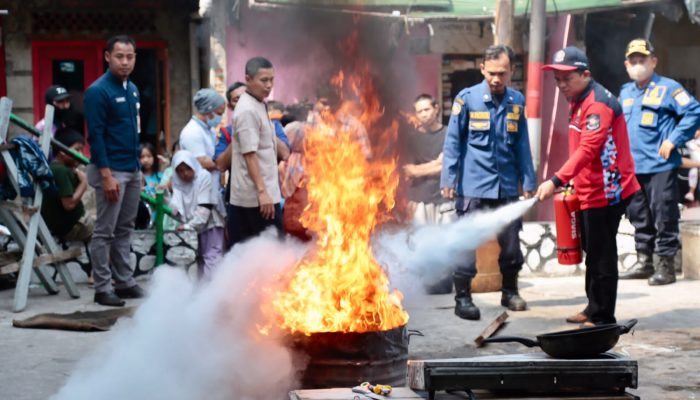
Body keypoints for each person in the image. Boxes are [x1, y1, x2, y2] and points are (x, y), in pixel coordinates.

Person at [535, 47, 640, 326]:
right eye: (557, 79)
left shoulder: (597, 104)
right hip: (589, 189)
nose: (561, 85)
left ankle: (603, 316)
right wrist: (573, 184)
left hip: (608, 190)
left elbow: (588, 150)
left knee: (602, 254)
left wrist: (556, 179)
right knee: (593, 252)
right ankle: (593, 307)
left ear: (585, 74)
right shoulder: (579, 99)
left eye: (567, 78)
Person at [441, 45, 536, 320]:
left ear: (512, 72)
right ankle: (463, 298)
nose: (496, 79)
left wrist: (528, 180)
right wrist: (449, 177)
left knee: (510, 244)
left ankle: (510, 291)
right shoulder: (467, 99)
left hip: (506, 187)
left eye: (502, 74)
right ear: (482, 69)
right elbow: (453, 142)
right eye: (491, 73)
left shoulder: (516, 102)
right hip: (472, 187)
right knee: (467, 241)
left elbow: (522, 146)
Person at [618, 39, 700, 285]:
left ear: (653, 61)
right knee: (638, 215)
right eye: (633, 60)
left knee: (664, 214)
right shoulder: (625, 92)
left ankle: (666, 266)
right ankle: (645, 262)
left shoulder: (669, 88)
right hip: (633, 167)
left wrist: (674, 139)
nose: (638, 64)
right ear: (626, 64)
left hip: (660, 166)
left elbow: (694, 112)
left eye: (642, 60)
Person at [84, 35, 145, 307]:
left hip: (132, 169)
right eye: (119, 56)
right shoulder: (98, 91)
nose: (125, 62)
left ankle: (124, 282)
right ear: (107, 56)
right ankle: (102, 288)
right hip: (111, 171)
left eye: (130, 57)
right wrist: (106, 175)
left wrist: (139, 168)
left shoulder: (132, 89)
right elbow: (95, 136)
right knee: (104, 232)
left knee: (125, 229)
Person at [226, 57, 289, 246]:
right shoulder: (247, 110)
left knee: (258, 257)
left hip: (263, 196)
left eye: (272, 80)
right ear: (248, 79)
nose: (269, 85)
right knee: (272, 254)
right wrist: (262, 192)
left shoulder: (258, 103)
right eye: (264, 80)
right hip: (256, 201)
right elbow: (249, 154)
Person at [401, 94, 454, 294]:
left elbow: (449, 165)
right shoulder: (412, 139)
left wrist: (421, 168)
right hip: (419, 199)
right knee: (420, 243)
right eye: (419, 111)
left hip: (443, 198)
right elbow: (407, 170)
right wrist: (436, 165)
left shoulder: (449, 134)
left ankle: (443, 285)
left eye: (427, 109)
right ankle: (423, 285)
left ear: (436, 108)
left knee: (444, 243)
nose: (423, 114)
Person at [170, 150, 225, 281]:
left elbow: (205, 208)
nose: (185, 174)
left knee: (212, 259)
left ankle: (214, 294)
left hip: (211, 225)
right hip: (193, 229)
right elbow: (175, 209)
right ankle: (201, 295)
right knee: (198, 260)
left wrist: (189, 225)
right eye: (180, 171)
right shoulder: (177, 183)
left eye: (188, 169)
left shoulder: (203, 176)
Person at [179, 88, 228, 230]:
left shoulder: (209, 130)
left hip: (211, 193)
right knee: (208, 246)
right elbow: (202, 161)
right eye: (219, 113)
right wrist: (224, 161)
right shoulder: (192, 132)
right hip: (199, 197)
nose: (220, 117)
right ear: (209, 110)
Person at [41, 128, 94, 243]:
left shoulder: (57, 168)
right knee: (109, 230)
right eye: (77, 150)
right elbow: (69, 204)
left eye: (82, 150)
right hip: (75, 228)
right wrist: (84, 184)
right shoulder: (61, 171)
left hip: (69, 226)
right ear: (63, 151)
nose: (81, 154)